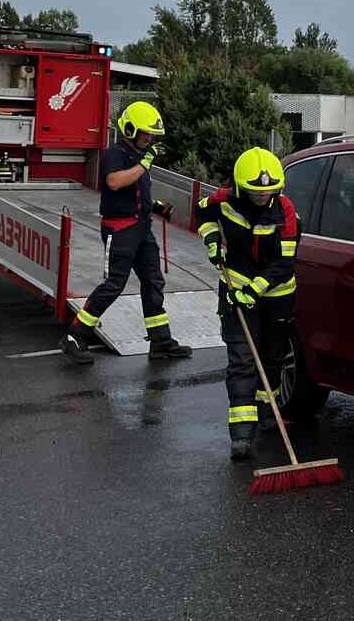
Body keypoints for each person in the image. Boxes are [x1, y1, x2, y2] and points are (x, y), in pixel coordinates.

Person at [60, 101, 192, 364]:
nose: (151, 138)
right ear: (130, 129)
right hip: (120, 230)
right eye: (146, 133)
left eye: (153, 134)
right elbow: (115, 182)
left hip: (142, 229)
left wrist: (155, 206)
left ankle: (160, 341)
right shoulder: (116, 153)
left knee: (153, 282)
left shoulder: (139, 157)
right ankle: (75, 336)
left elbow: (137, 190)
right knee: (114, 284)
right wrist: (145, 164)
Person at [195, 147, 298, 461]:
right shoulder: (225, 199)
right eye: (255, 192)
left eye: (268, 192)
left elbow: (284, 263)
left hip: (277, 296)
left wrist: (254, 290)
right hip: (234, 289)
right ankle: (242, 434)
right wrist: (212, 239)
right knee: (242, 361)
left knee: (272, 360)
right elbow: (202, 212)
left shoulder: (286, 211)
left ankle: (266, 413)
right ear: (241, 187)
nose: (261, 197)